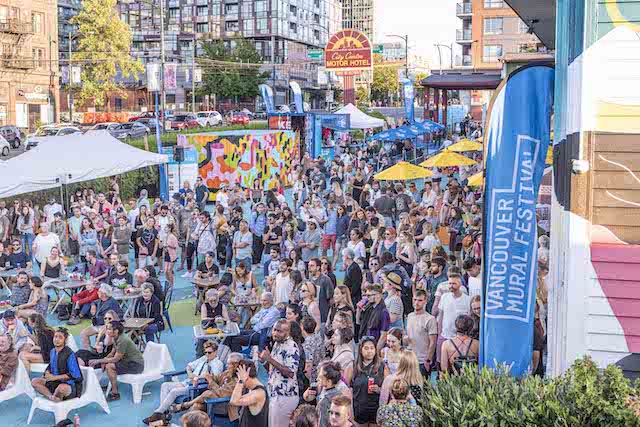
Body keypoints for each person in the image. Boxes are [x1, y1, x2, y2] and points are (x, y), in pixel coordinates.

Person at [143, 340, 223, 425]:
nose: (207, 354)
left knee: (174, 392)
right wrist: (190, 373)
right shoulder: (203, 358)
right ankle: (164, 413)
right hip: (188, 382)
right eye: (205, 352)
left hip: (197, 387)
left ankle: (158, 414)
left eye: (209, 352)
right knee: (165, 385)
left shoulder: (218, 364)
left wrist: (197, 377)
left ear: (215, 352)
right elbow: (189, 366)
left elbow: (213, 377)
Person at [89, 320, 145, 401]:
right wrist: (104, 359)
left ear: (116, 331)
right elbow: (112, 353)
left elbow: (116, 359)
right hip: (128, 362)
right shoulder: (116, 337)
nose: (107, 331)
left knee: (109, 366)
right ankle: (112, 384)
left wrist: (99, 361)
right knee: (107, 363)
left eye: (109, 329)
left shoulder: (122, 340)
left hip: (136, 365)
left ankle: (115, 393)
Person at [259, 319, 300, 427]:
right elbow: (275, 370)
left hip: (285, 395)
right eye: (274, 330)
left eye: (279, 331)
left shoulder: (291, 346)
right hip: (275, 394)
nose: (275, 333)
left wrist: (270, 359)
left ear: (287, 333)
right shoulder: (277, 344)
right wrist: (265, 361)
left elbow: (291, 372)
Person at [31, 328, 82, 402]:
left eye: (60, 337)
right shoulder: (52, 351)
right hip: (55, 383)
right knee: (35, 381)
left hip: (69, 385)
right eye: (55, 337)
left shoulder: (70, 354)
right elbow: (51, 365)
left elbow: (74, 375)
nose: (57, 339)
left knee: (61, 388)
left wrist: (55, 377)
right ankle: (51, 397)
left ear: (65, 340)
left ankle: (56, 397)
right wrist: (46, 373)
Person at [434, 272, 471, 364]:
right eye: (450, 283)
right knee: (441, 363)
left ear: (460, 284)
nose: (451, 286)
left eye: (454, 283)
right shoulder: (444, 297)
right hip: (444, 336)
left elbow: (470, 319)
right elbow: (441, 316)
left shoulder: (467, 300)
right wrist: (439, 334)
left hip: (460, 338)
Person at [351, 337, 387, 427]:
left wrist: (379, 390)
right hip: (359, 409)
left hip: (375, 408)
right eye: (366, 348)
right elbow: (347, 387)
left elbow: (388, 388)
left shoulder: (382, 366)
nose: (369, 351)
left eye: (372, 348)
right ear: (360, 350)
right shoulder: (354, 366)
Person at [303, 361, 349, 427]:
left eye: (321, 377)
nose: (317, 379)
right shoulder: (339, 394)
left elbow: (322, 424)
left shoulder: (325, 401)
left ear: (329, 381)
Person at [80, 284, 124, 349]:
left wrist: (109, 324)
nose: (97, 292)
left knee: (100, 336)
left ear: (104, 294)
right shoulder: (100, 300)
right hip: (96, 324)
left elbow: (120, 315)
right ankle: (88, 350)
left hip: (105, 325)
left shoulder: (112, 302)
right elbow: (94, 302)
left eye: (99, 292)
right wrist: (93, 305)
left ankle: (99, 350)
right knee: (83, 333)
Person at [405, 289, 438, 377]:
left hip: (422, 360)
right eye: (415, 300)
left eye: (420, 300)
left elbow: (433, 342)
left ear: (425, 301)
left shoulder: (430, 319)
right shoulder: (409, 316)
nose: (416, 303)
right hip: (410, 358)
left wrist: (428, 360)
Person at [230, 359, 269, 427]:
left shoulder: (258, 393)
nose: (237, 383)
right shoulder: (251, 389)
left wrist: (241, 381)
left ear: (246, 377)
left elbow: (234, 401)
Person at [356, 284, 390, 352]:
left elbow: (383, 336)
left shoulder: (383, 312)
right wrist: (358, 310)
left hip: (374, 346)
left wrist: (375, 352)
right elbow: (358, 322)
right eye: (366, 295)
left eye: (369, 295)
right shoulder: (369, 308)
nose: (366, 298)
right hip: (365, 343)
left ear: (378, 295)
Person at [308, 257, 335, 327]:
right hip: (311, 315)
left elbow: (331, 300)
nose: (309, 268)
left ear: (318, 267)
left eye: (312, 266)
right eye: (309, 265)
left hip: (323, 316)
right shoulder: (310, 279)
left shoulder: (325, 280)